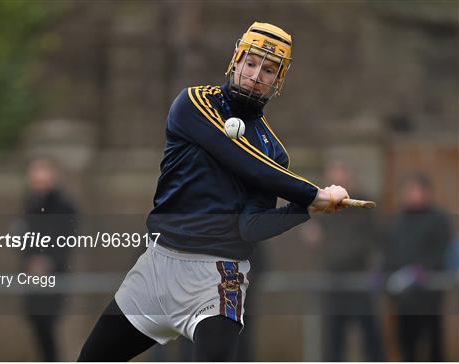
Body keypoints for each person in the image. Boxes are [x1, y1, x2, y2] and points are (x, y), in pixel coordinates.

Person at [78, 22, 350, 361]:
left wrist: (305, 210)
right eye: (250, 63)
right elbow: (247, 163)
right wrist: (313, 193)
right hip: (156, 269)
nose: (255, 75)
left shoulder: (273, 150)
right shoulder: (193, 103)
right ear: (235, 61)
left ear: (278, 80)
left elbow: (251, 227)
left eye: (268, 70)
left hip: (216, 277)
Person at [302, 160, 384, 361]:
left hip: (358, 278)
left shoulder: (363, 203)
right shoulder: (324, 206)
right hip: (333, 280)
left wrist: (376, 269)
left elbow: (377, 238)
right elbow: (314, 231)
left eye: (340, 173)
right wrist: (312, 233)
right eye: (332, 175)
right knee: (333, 337)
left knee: (369, 334)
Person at [384, 173, 452, 361]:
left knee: (433, 345)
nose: (411, 194)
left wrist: (421, 270)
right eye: (409, 190)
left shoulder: (438, 219)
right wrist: (387, 274)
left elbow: (441, 250)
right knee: (406, 345)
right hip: (404, 298)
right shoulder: (398, 220)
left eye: (416, 190)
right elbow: (390, 250)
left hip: (429, 294)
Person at [21, 157, 77, 361]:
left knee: (48, 323)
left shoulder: (63, 206)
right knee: (37, 324)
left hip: (54, 274)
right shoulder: (30, 204)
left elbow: (65, 239)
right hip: (31, 276)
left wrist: (46, 261)